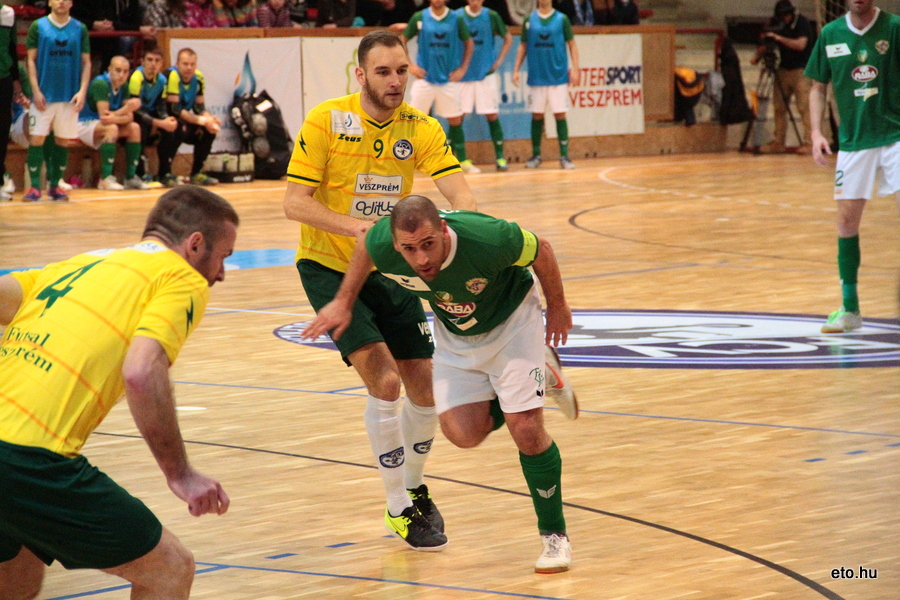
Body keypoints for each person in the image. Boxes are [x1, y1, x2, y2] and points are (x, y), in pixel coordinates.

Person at [303, 195, 579, 573]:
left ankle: (554, 536)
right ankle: (541, 373)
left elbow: (542, 249)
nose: (421, 259)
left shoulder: (487, 237)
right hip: (456, 333)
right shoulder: (384, 242)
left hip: (513, 321)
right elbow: (366, 245)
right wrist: (343, 301)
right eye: (409, 249)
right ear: (396, 244)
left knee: (526, 428)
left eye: (429, 244)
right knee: (463, 435)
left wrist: (558, 305)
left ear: (444, 230)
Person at [282, 30, 477, 552]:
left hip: (390, 266)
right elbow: (294, 202)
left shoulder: (422, 127)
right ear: (360, 75)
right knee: (386, 383)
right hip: (329, 266)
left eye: (402, 70)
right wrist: (357, 230)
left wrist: (468, 231)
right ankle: (397, 507)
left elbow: (458, 190)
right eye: (383, 72)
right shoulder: (327, 120)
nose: (395, 81)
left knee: (425, 389)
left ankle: (414, 487)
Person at [0, 186, 236, 600]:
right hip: (28, 459)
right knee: (169, 569)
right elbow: (142, 373)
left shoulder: (80, 264)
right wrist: (180, 474)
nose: (221, 274)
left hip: (15, 465)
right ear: (195, 244)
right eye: (223, 257)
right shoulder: (180, 277)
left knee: (18, 576)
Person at [806, 0, 900, 333]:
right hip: (854, 140)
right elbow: (817, 87)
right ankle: (850, 308)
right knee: (846, 221)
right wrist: (816, 132)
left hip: (896, 136)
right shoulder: (830, 34)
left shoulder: (894, 28)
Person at [24, 0, 92, 202]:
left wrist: (82, 91)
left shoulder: (80, 28)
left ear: (71, 3)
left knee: (63, 140)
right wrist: (35, 90)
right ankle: (34, 187)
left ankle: (55, 186)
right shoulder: (38, 26)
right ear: (49, 2)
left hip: (69, 95)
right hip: (44, 95)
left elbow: (87, 62)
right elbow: (30, 60)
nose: (61, 1)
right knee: (37, 138)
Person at [402, 0, 478, 173]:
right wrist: (410, 65)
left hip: (448, 79)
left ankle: (462, 159)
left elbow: (469, 43)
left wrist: (463, 69)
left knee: (455, 119)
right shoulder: (419, 17)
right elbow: (402, 40)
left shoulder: (456, 18)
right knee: (413, 120)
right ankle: (407, 159)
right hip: (425, 78)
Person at [512, 0, 580, 169]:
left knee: (560, 114)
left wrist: (575, 69)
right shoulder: (529, 20)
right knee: (537, 115)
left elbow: (572, 44)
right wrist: (516, 69)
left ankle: (564, 156)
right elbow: (523, 45)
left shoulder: (561, 19)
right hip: (537, 76)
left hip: (557, 76)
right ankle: (536, 155)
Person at [77, 56, 149, 190]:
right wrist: (125, 110)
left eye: (125, 72)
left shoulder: (124, 86)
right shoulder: (101, 84)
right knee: (112, 128)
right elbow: (104, 117)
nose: (122, 75)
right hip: (85, 123)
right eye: (118, 70)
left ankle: (130, 177)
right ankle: (105, 179)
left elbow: (129, 117)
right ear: (109, 69)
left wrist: (116, 116)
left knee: (134, 128)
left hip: (104, 124)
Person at [751, 0, 813, 154]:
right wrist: (758, 55)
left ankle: (810, 142)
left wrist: (779, 38)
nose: (785, 18)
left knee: (804, 107)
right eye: (782, 15)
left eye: (787, 15)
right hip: (783, 68)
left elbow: (801, 45)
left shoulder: (802, 22)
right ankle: (778, 142)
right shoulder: (776, 23)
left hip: (801, 70)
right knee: (779, 107)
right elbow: (766, 41)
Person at [457, 0, 512, 171]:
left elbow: (508, 38)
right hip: (463, 75)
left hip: (485, 74)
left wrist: (499, 61)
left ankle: (500, 157)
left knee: (492, 114)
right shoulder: (457, 16)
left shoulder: (492, 16)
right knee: (457, 116)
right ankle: (461, 158)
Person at [157, 48, 220, 187]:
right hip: (164, 119)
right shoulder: (171, 75)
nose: (189, 68)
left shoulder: (198, 78)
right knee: (178, 128)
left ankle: (197, 173)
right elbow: (175, 110)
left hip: (183, 120)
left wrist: (209, 120)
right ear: (177, 64)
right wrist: (202, 120)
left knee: (208, 130)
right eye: (185, 64)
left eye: (192, 64)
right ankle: (164, 173)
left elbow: (200, 108)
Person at [129, 43, 177, 187]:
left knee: (173, 129)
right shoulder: (136, 77)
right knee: (140, 128)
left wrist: (166, 120)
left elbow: (161, 106)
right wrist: (157, 122)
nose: (153, 64)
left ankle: (164, 173)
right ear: (142, 61)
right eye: (149, 60)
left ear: (162, 63)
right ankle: (140, 173)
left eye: (157, 61)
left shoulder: (162, 80)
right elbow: (135, 110)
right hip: (134, 116)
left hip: (149, 116)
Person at [71, 0, 155, 71]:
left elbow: (114, 22)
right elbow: (72, 18)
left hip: (112, 35)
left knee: (117, 40)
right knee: (121, 40)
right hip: (84, 34)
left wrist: (140, 29)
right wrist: (93, 24)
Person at [0, 3, 24, 201]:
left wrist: (16, 79)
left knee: (2, 132)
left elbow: (11, 48)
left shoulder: (8, 13)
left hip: (3, 79)